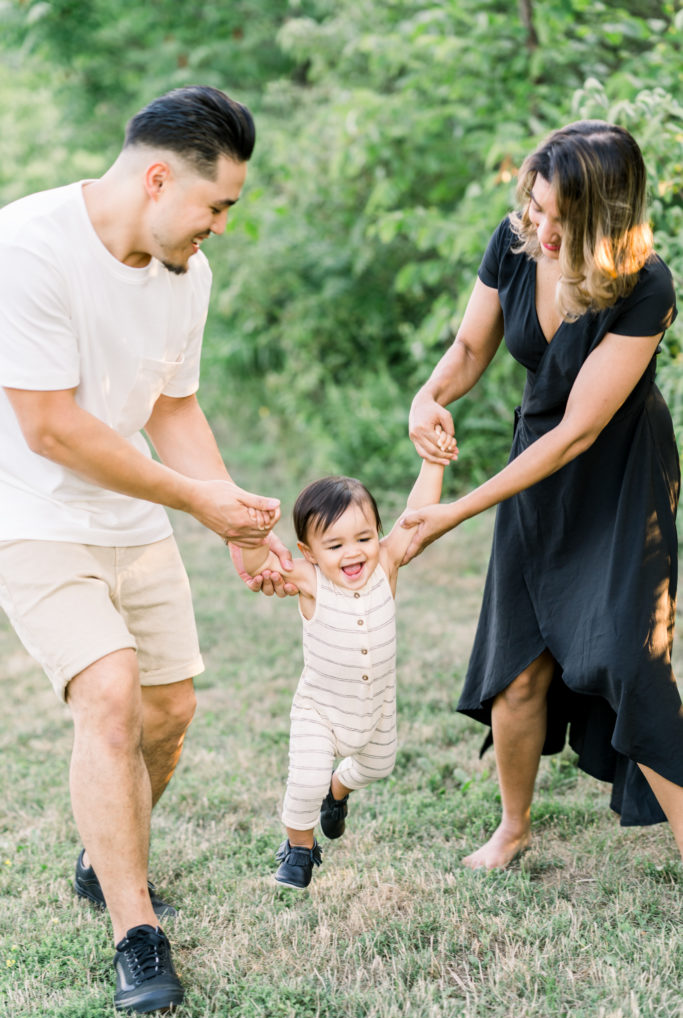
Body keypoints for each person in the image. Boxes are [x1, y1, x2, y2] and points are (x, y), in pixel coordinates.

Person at [0, 86, 290, 1014]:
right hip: (34, 512)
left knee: (171, 712)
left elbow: (173, 407)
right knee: (113, 696)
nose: (219, 227)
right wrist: (195, 501)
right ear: (159, 178)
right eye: (216, 206)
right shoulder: (28, 247)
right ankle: (136, 929)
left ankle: (102, 849)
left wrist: (235, 523)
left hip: (134, 519)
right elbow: (49, 428)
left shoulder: (185, 275)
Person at [402, 119, 683, 870]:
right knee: (519, 661)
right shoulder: (517, 240)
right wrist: (428, 397)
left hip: (618, 476)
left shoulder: (645, 284)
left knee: (631, 659)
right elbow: (469, 348)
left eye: (561, 218)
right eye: (534, 206)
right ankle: (513, 827)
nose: (541, 227)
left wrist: (453, 512)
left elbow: (578, 434)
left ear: (609, 216)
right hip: (534, 473)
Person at [234, 445, 452, 888]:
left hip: (375, 706)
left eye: (364, 538)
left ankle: (340, 791)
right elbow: (260, 564)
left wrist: (433, 462)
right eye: (334, 545)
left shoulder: (385, 565)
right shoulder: (310, 581)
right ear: (309, 551)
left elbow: (416, 518)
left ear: (376, 534)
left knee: (378, 767)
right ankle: (299, 848)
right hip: (321, 709)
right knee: (305, 781)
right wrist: (251, 534)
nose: (353, 554)